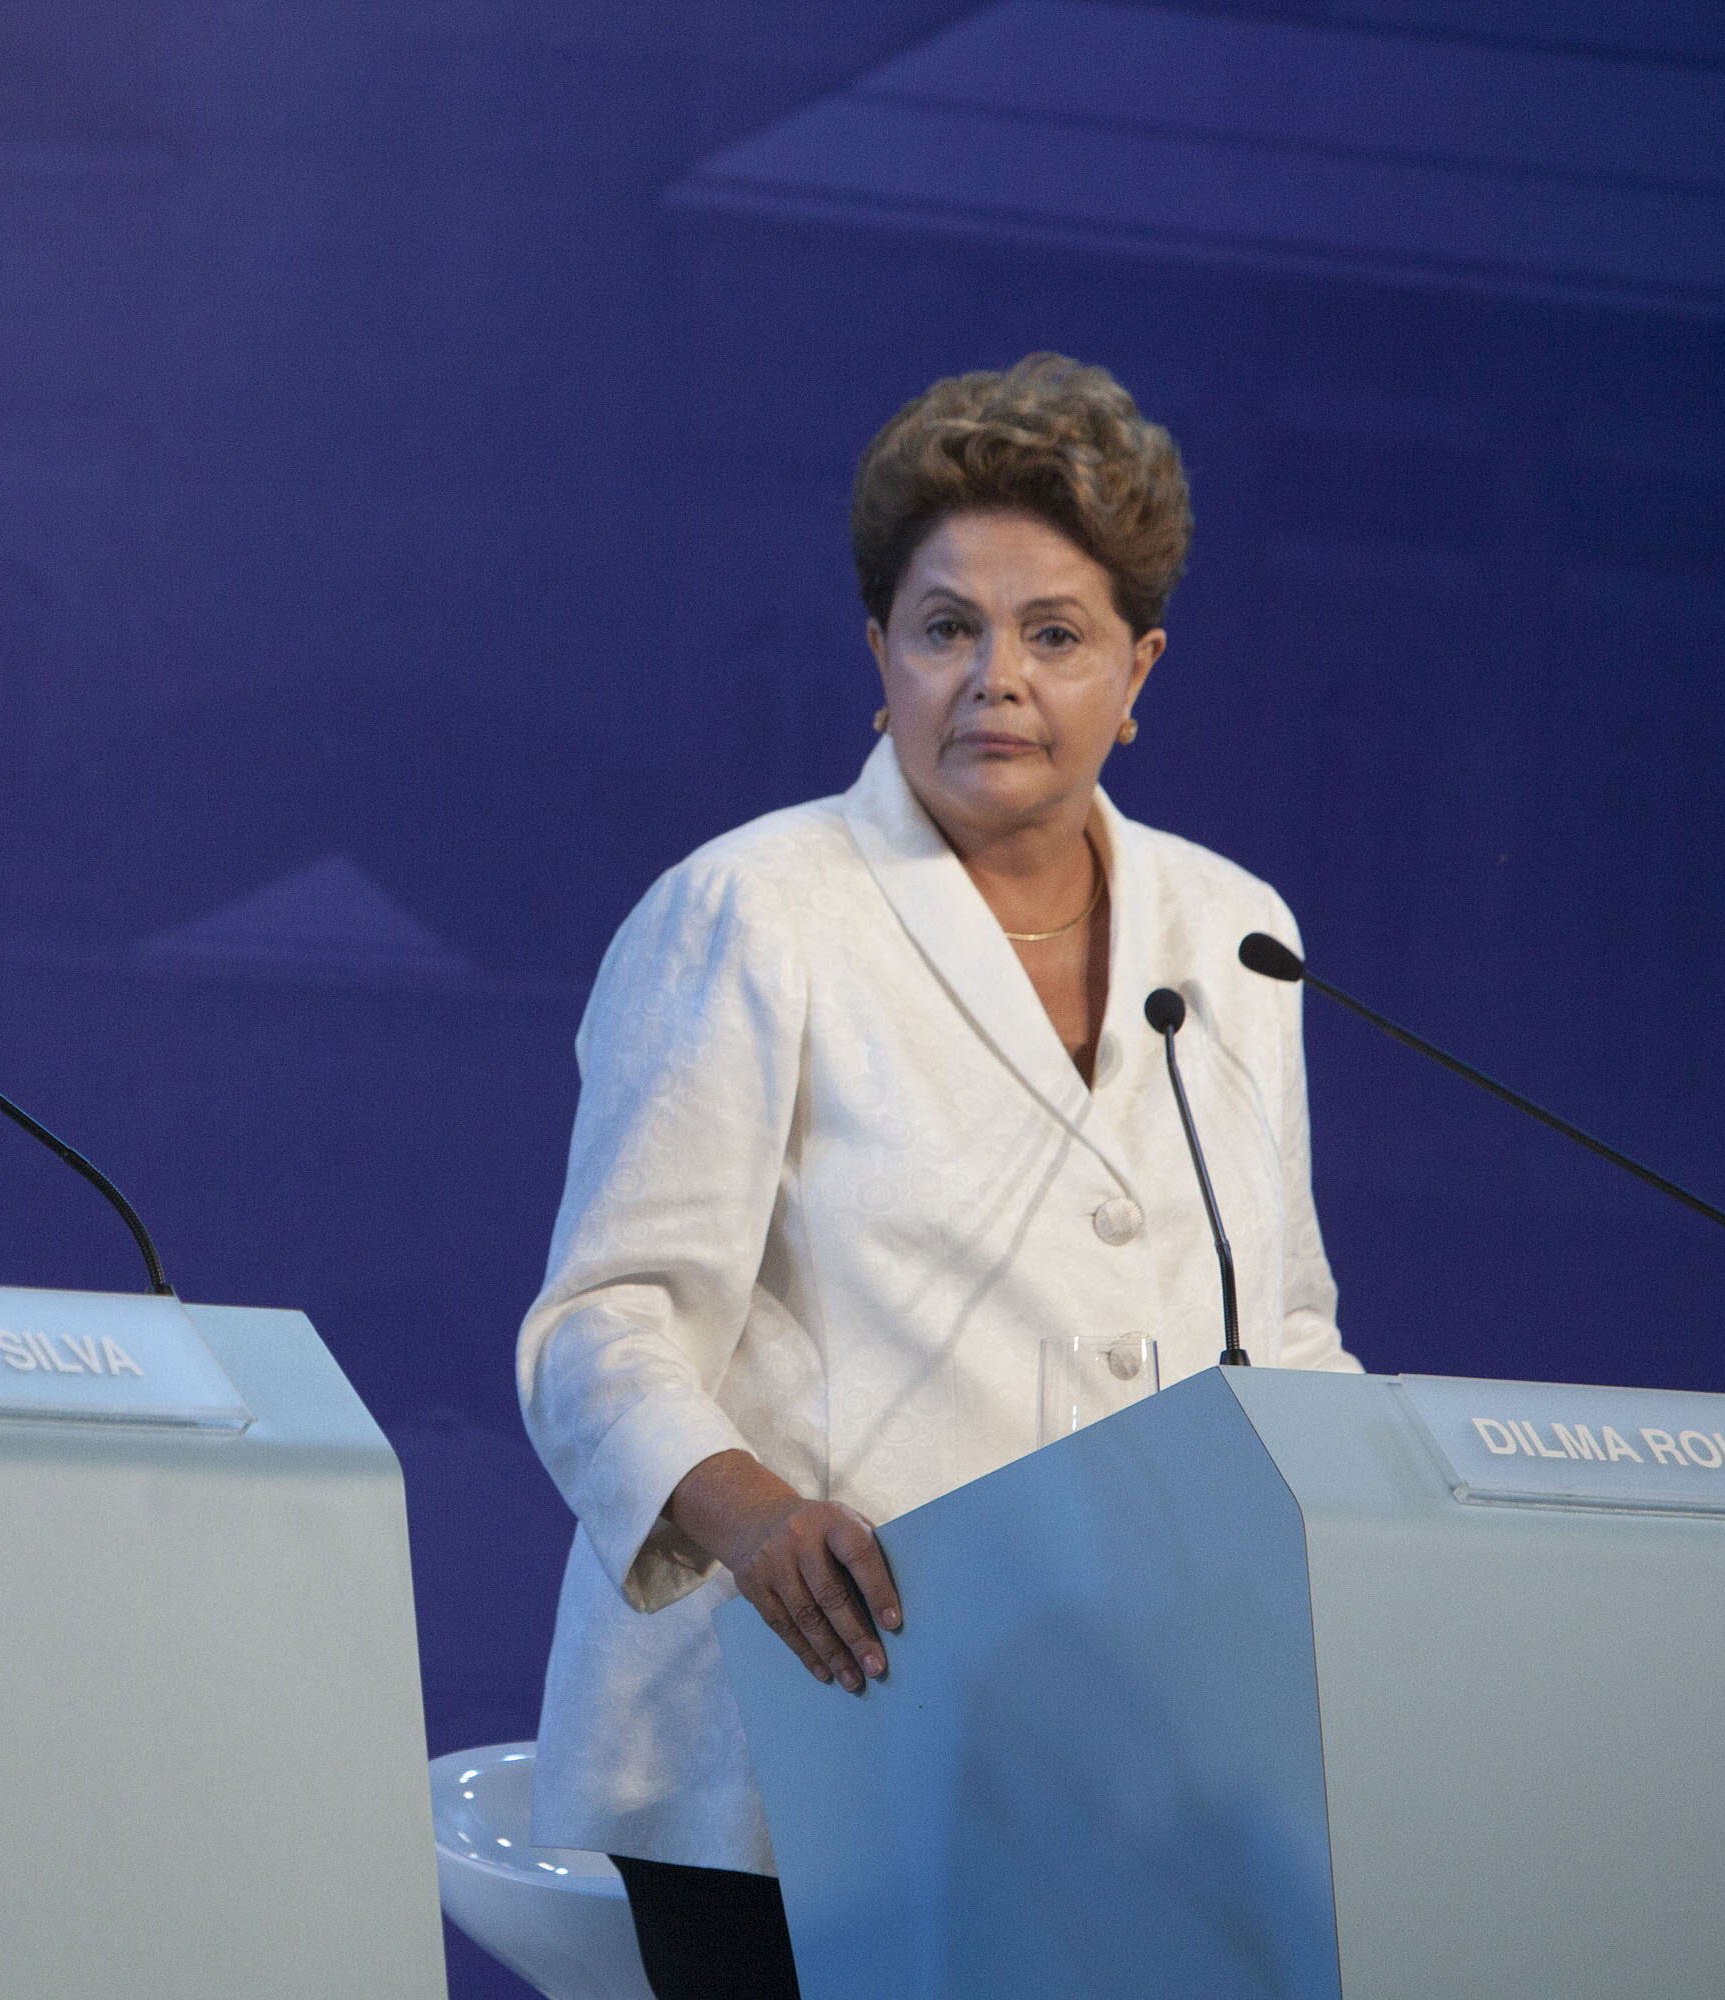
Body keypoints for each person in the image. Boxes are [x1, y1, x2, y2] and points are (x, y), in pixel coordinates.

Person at [516, 354, 1360, 1999]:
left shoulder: (1237, 931)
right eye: (946, 628)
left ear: (1141, 670)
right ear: (879, 654)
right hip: (804, 1732)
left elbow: (1289, 1327)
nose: (997, 681)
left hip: (1125, 1746)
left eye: (1054, 634)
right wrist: (754, 1520)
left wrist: (1382, 1544)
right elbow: (604, 1324)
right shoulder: (758, 909)